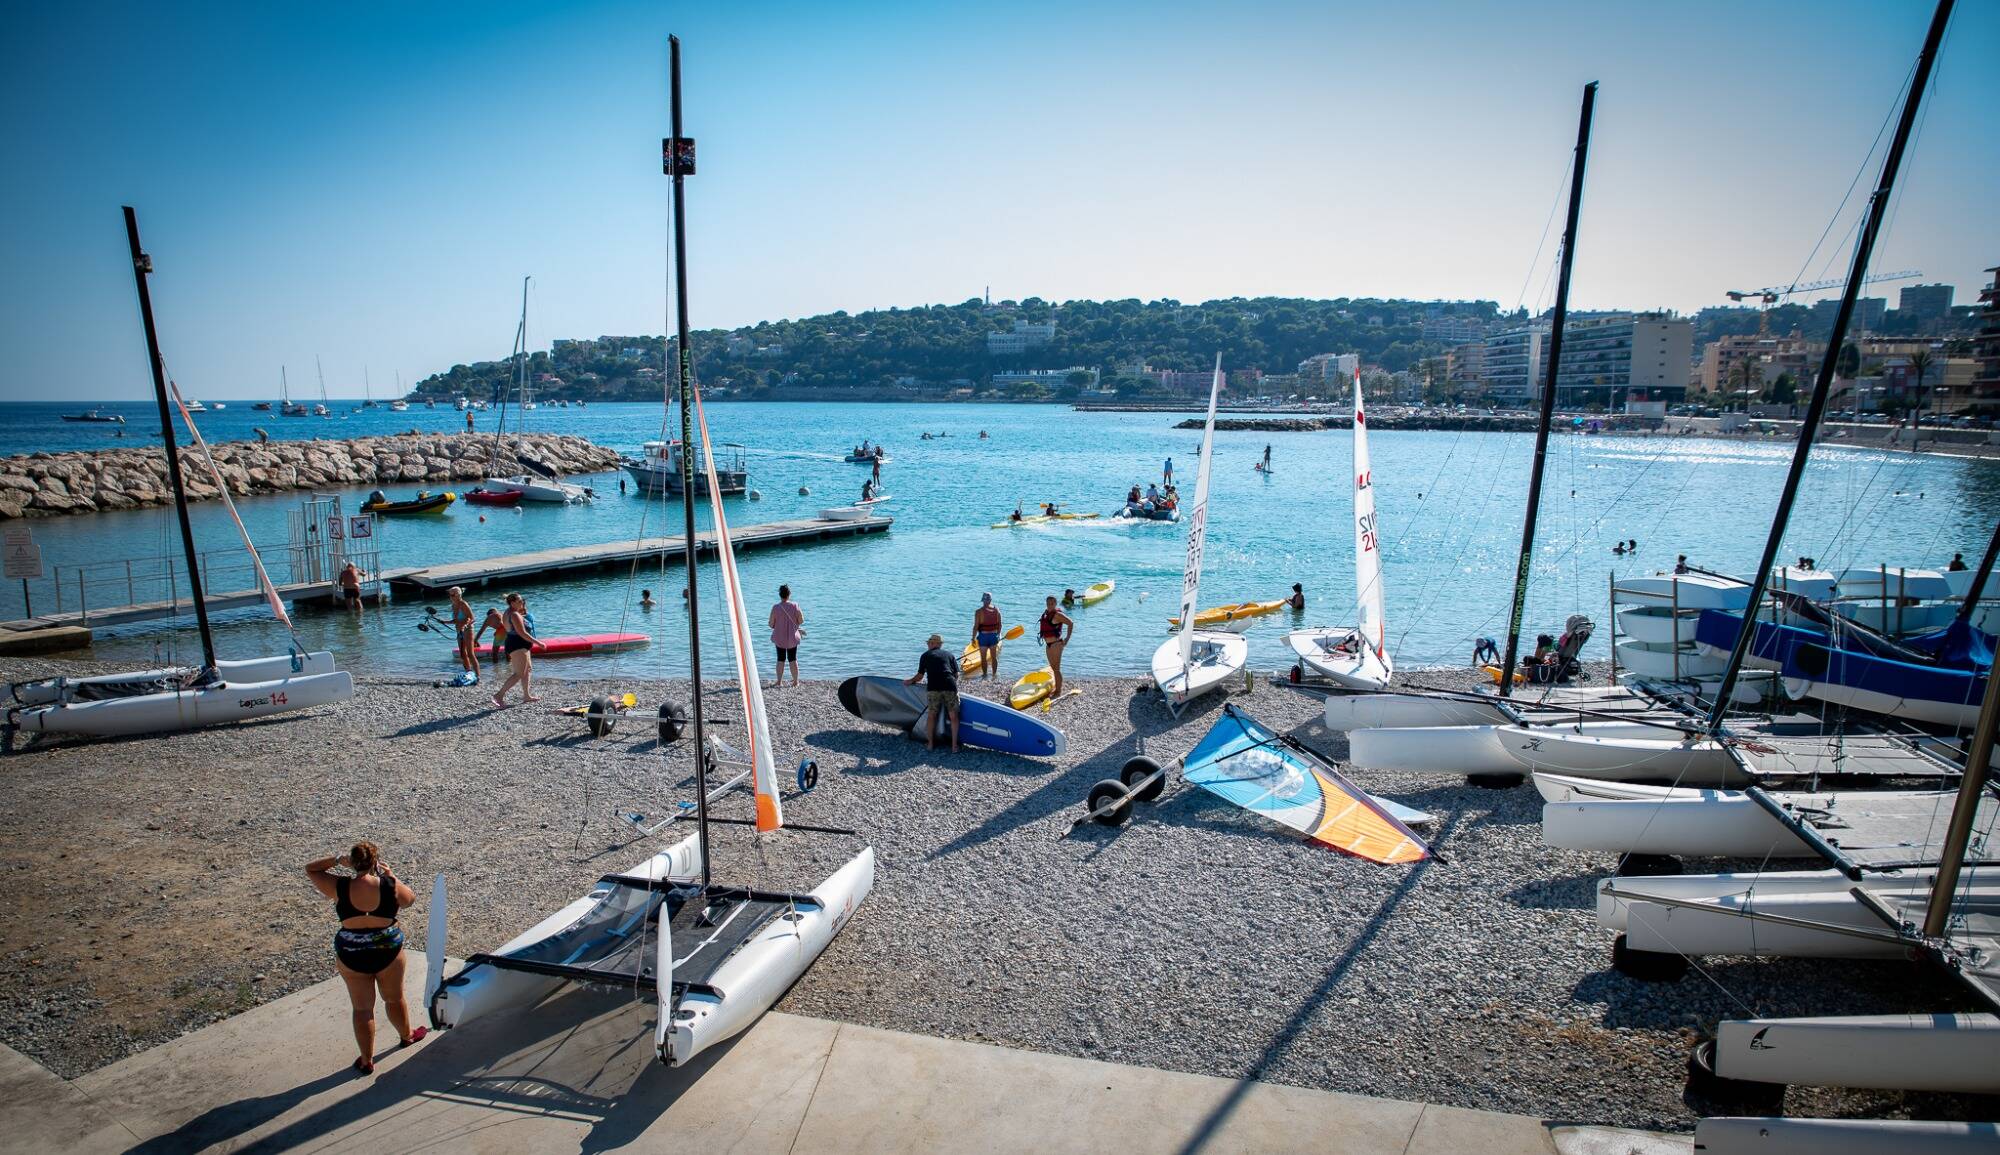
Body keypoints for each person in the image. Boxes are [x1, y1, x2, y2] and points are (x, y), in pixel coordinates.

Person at [305, 842, 424, 1074]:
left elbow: (311, 869)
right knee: (394, 998)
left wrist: (338, 859)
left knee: (362, 1009)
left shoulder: (339, 887)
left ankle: (367, 1059)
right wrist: (391, 875)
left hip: (352, 954)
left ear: (353, 862)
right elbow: (410, 900)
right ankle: (406, 1036)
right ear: (375, 861)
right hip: (387, 952)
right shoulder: (389, 886)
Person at [904, 634, 959, 753]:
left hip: (934, 687)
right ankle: (954, 746)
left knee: (932, 715)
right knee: (953, 716)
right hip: (949, 685)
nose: (928, 645)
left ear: (935, 644)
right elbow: (956, 675)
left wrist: (910, 681)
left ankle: (930, 744)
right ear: (940, 645)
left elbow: (920, 676)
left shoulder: (925, 655)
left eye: (929, 643)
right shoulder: (950, 655)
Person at [491, 593, 542, 708]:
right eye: (519, 601)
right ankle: (498, 696)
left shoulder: (512, 612)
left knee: (527, 669)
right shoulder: (513, 614)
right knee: (519, 673)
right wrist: (538, 643)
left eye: (522, 601)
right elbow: (522, 633)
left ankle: (526, 696)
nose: (522, 603)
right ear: (512, 603)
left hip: (520, 644)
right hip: (517, 645)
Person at [769, 584, 804, 688]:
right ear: (789, 594)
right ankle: (795, 682)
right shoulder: (795, 605)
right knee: (793, 659)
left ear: (780, 595)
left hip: (780, 638)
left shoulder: (775, 607)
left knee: (780, 659)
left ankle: (779, 682)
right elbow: (801, 620)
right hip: (792, 638)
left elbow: (771, 624)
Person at [1040, 596, 1075, 697]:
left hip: (1056, 644)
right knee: (1053, 667)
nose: (1049, 605)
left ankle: (1058, 691)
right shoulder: (1046, 614)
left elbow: (1070, 623)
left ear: (1055, 603)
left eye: (1052, 603)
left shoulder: (1057, 614)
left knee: (1056, 668)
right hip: (1048, 645)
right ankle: (1056, 687)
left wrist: (1067, 639)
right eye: (1048, 603)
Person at [447, 586, 477, 681]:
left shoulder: (463, 604)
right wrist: (444, 622)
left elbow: (472, 618)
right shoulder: (453, 605)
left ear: (458, 595)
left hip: (468, 630)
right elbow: (456, 620)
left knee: (470, 653)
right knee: (462, 654)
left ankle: (478, 676)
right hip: (459, 631)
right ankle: (468, 673)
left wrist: (465, 625)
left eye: (452, 595)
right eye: (450, 594)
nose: (450, 597)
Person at [972, 594, 1003, 679]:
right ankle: (994, 675)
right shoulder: (997, 610)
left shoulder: (978, 612)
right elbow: (1000, 625)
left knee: (983, 658)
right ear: (990, 600)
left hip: (983, 637)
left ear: (983, 600)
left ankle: (985, 675)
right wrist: (998, 634)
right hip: (993, 636)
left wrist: (973, 638)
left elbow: (975, 627)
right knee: (994, 657)